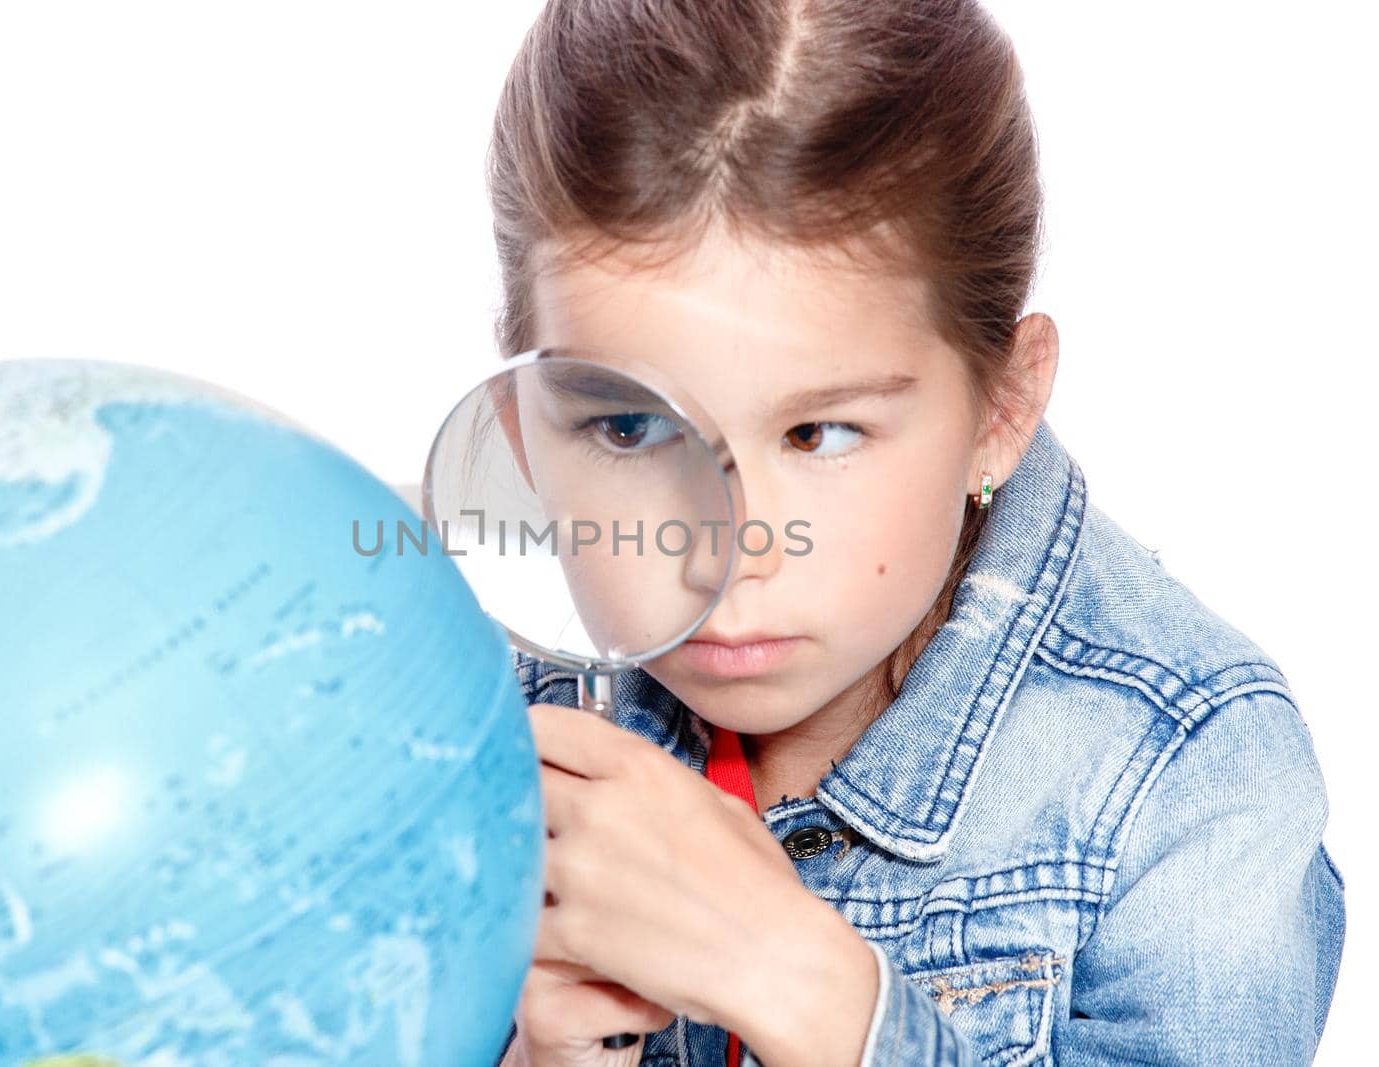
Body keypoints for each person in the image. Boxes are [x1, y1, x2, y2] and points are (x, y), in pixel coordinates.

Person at [488, 2, 1346, 1064]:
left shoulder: (1187, 771)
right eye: (627, 427)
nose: (723, 556)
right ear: (517, 429)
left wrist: (810, 992)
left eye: (819, 431)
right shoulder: (460, 713)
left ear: (1001, 406)